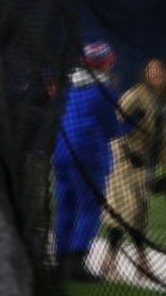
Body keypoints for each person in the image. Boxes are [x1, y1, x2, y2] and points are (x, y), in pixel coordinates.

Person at [52, 40, 125, 281]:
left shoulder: (70, 87)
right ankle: (76, 263)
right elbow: (112, 129)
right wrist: (133, 122)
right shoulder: (102, 91)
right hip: (88, 156)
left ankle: (60, 261)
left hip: (62, 154)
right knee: (88, 208)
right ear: (106, 64)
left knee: (65, 208)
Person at [100, 58, 166, 280]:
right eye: (152, 71)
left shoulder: (162, 102)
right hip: (124, 163)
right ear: (145, 74)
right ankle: (111, 263)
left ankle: (141, 264)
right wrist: (123, 150)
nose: (157, 75)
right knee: (124, 212)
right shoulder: (134, 96)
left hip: (145, 165)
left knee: (140, 216)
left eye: (160, 71)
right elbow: (114, 124)